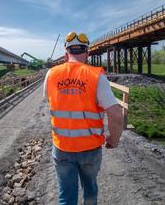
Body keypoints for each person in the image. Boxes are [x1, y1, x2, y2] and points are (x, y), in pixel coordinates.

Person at [43, 31, 124, 205]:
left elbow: (50, 101)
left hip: (62, 147)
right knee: (90, 190)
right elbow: (116, 116)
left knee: (66, 196)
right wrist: (114, 140)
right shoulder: (96, 77)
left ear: (66, 53)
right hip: (90, 149)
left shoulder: (51, 75)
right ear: (87, 53)